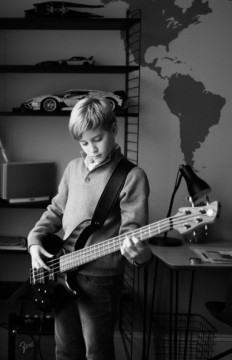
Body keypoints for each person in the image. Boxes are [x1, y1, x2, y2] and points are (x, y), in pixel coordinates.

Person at [27, 97, 151, 360]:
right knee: (65, 350)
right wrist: (35, 240)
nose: (91, 149)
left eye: (98, 139)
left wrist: (137, 251)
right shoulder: (73, 168)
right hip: (62, 271)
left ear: (114, 130)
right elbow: (55, 210)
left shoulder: (131, 176)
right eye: (84, 143)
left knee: (97, 352)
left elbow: (132, 233)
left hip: (101, 280)